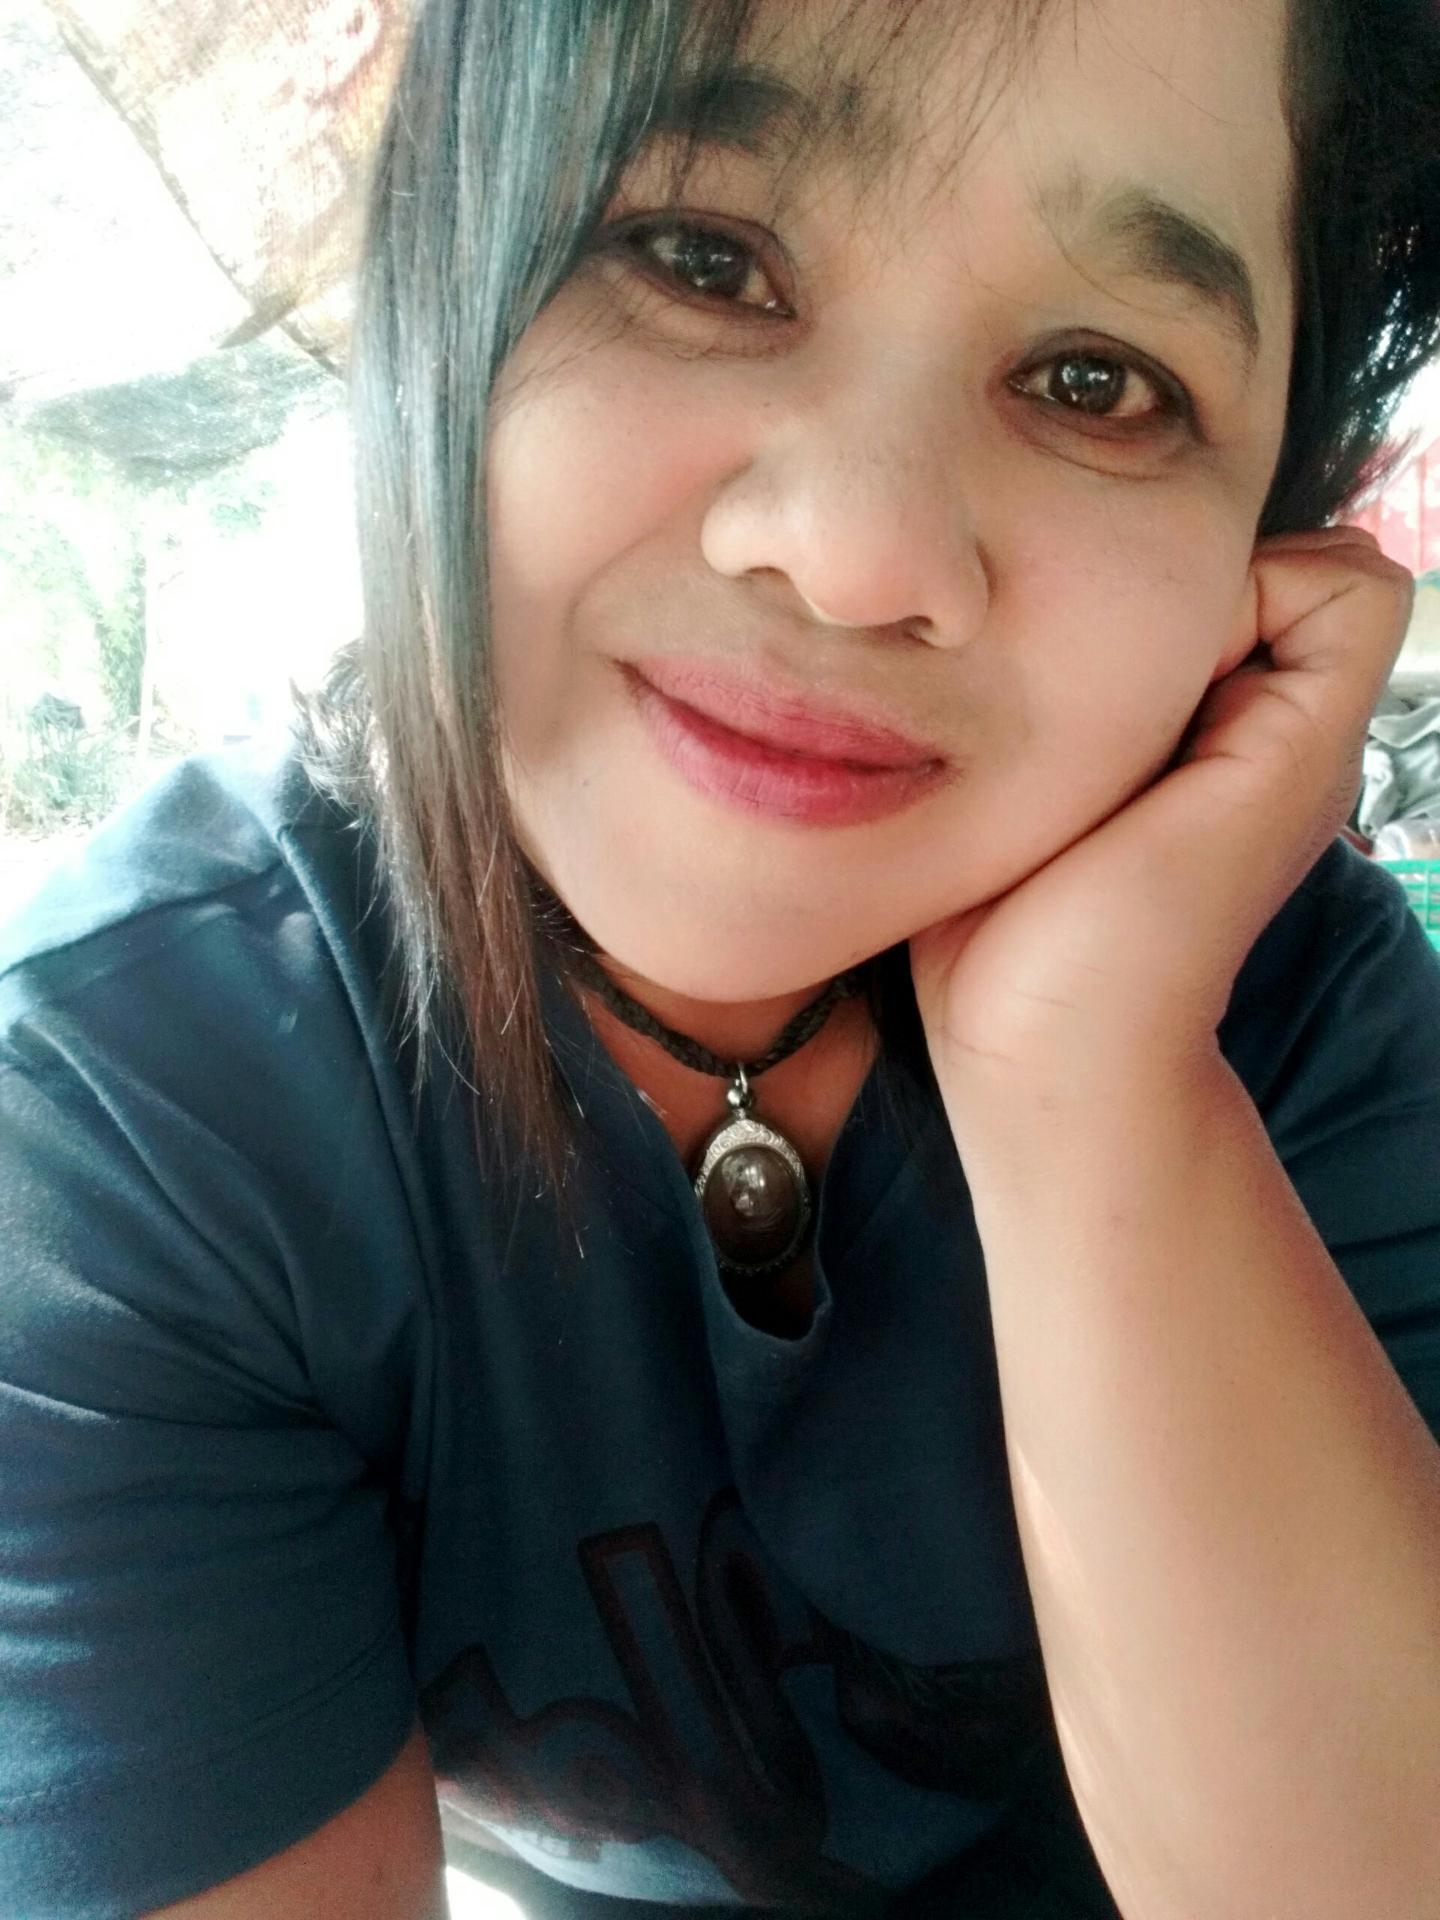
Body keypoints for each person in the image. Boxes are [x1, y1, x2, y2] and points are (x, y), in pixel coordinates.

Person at [2, 0, 1439, 1914]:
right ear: (435, 274)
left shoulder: (1300, 1014)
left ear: (1272, 548)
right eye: (701, 258)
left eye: (1096, 381)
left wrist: (1097, 1080)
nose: (856, 551)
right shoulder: (128, 1122)